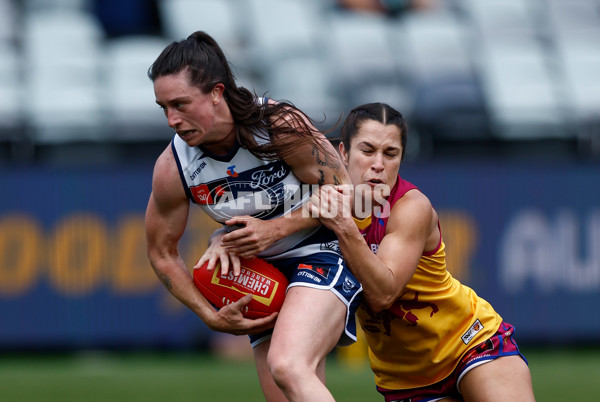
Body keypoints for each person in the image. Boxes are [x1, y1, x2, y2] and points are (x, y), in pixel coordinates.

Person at [144, 31, 362, 402]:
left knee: (288, 364)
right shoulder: (172, 167)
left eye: (180, 104)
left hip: (321, 249)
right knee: (287, 390)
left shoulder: (278, 125)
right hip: (260, 276)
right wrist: (208, 315)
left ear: (216, 92)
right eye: (163, 107)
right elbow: (161, 252)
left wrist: (275, 229)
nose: (171, 120)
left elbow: (346, 192)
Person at [307, 103, 535, 401]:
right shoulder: (321, 205)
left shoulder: (411, 208)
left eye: (390, 154)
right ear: (344, 153)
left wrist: (344, 227)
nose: (378, 164)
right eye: (367, 150)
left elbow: (382, 294)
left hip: (469, 343)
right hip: (405, 379)